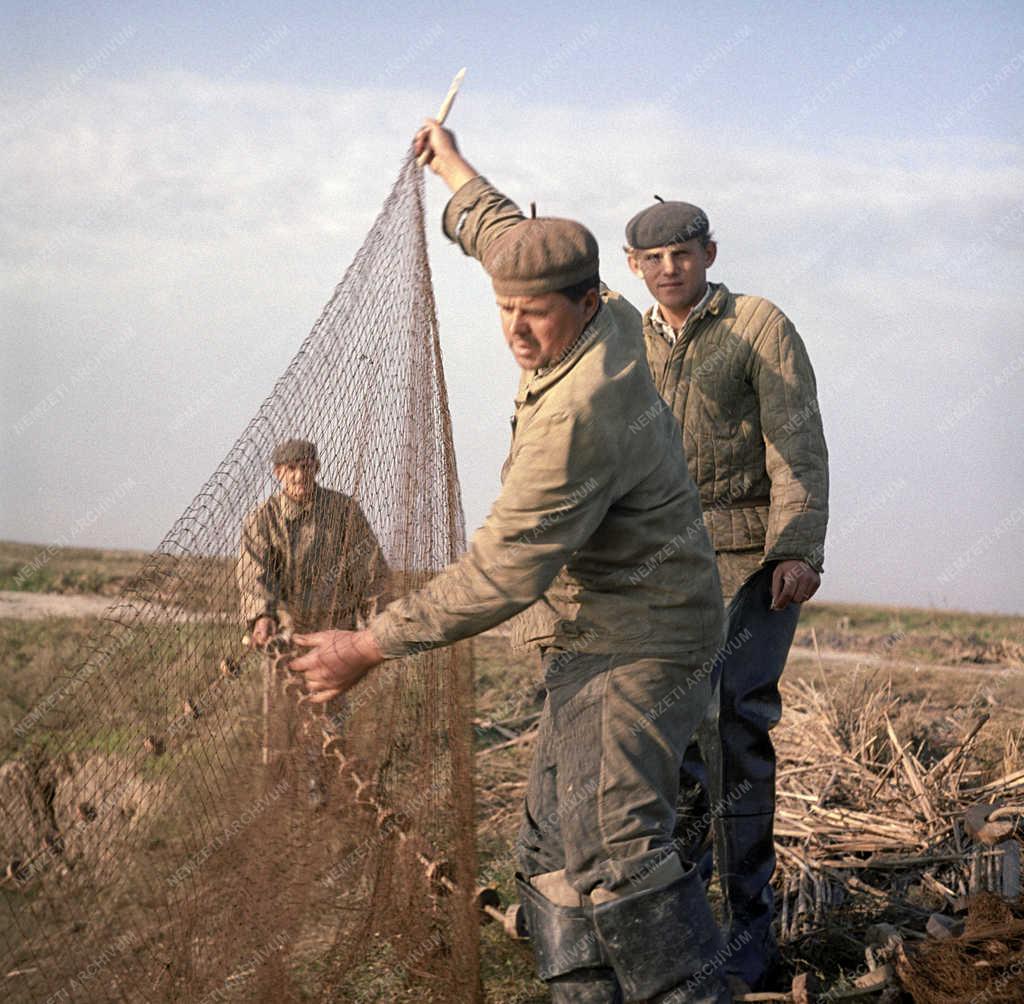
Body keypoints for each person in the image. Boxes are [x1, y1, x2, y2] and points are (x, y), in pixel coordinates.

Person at [291, 123, 732, 1003]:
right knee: (546, 849)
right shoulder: (588, 298)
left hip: (644, 637)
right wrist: (450, 164)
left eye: (534, 314)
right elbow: (500, 234)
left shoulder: (582, 415)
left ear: (583, 303)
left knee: (615, 847)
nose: (516, 332)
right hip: (593, 631)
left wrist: (368, 645)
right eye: (503, 311)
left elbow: (501, 574)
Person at [623, 198, 829, 991]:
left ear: (708, 252)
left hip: (748, 560)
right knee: (665, 744)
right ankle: (680, 927)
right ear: (632, 264)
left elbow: (797, 442)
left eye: (683, 252)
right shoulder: (620, 336)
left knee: (732, 733)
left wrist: (797, 549)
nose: (669, 267)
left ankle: (751, 933)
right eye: (653, 257)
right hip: (656, 568)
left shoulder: (758, 325)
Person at [236, 438, 390, 648]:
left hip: (340, 636)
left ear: (316, 467)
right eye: (291, 468)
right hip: (285, 638)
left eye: (306, 467)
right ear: (278, 472)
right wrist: (263, 616)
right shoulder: (262, 519)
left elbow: (371, 570)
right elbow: (254, 577)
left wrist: (377, 631)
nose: (299, 476)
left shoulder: (344, 510)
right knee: (287, 680)